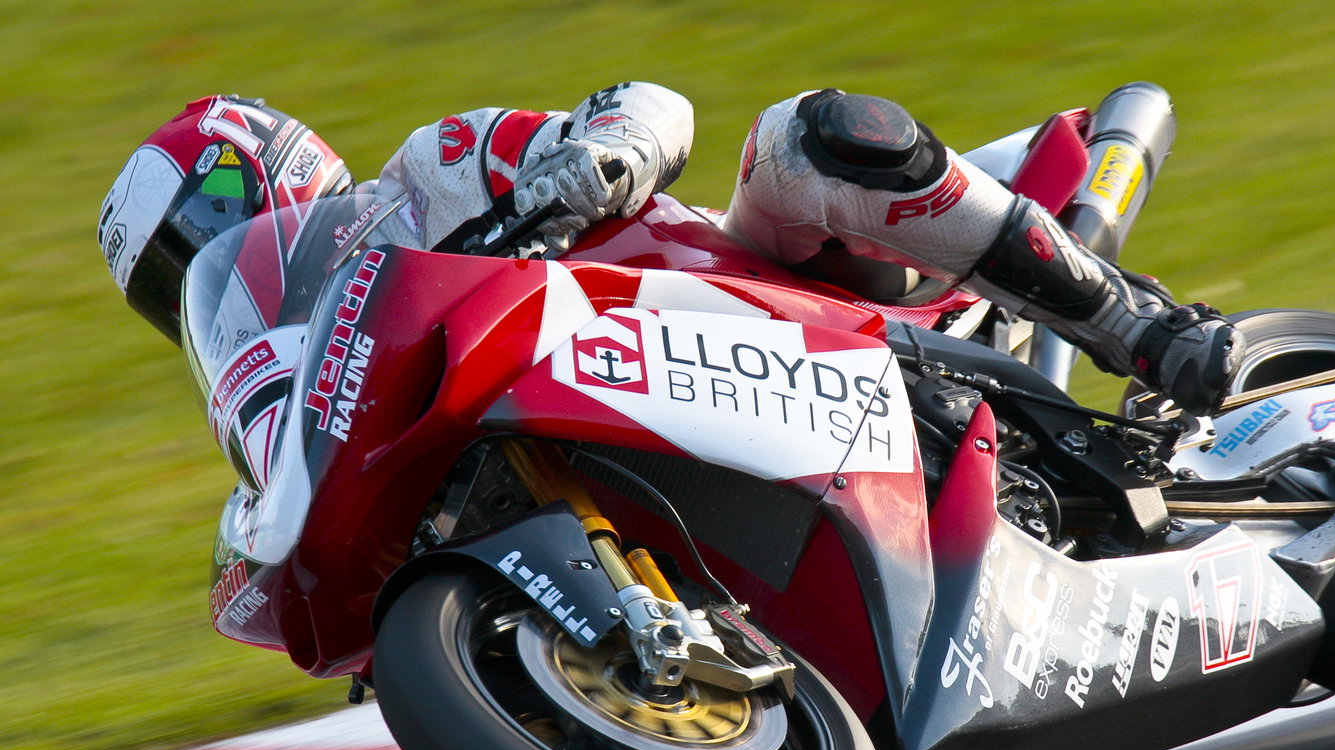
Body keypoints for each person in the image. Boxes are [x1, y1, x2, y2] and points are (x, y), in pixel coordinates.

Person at [98, 83, 1241, 412]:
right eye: (173, 277)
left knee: (805, 136)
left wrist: (584, 171)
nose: (201, 269)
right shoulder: (302, 401)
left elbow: (648, 107)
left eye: (199, 230)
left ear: (271, 172)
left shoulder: (432, 173)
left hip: (765, 291)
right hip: (666, 421)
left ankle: (1135, 328)